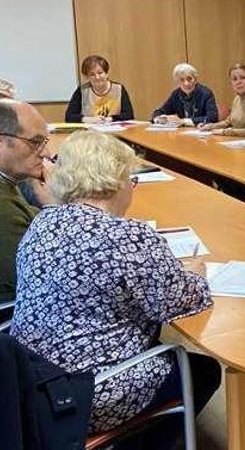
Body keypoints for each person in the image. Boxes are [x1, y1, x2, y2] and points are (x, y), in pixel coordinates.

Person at [10, 130, 219, 448]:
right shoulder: (127, 235)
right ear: (116, 179)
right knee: (202, 369)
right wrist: (196, 274)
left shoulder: (43, 221)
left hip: (30, 383)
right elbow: (180, 300)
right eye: (131, 179)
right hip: (86, 394)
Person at [0, 100, 52, 315]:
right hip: (24, 321)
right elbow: (42, 279)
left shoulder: (11, 181)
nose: (46, 152)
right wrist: (55, 205)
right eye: (35, 142)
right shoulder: (3, 209)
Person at [199, 63, 245, 137]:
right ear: (231, 83)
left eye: (243, 78)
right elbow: (228, 122)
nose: (239, 82)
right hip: (239, 142)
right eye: (234, 79)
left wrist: (225, 132)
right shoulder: (237, 98)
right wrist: (209, 126)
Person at [65, 55, 134, 124]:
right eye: (92, 74)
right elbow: (69, 117)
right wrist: (88, 119)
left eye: (100, 73)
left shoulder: (119, 89)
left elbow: (129, 115)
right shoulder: (82, 91)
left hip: (115, 131)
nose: (97, 77)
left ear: (106, 74)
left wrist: (111, 119)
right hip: (90, 132)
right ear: (86, 77)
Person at [151, 63, 219, 126]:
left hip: (201, 132)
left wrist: (184, 121)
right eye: (182, 80)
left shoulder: (205, 93)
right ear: (177, 82)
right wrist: (160, 119)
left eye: (189, 79)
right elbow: (159, 112)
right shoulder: (176, 94)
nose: (186, 83)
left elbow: (213, 118)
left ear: (195, 79)